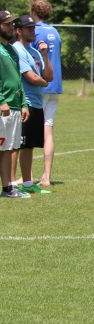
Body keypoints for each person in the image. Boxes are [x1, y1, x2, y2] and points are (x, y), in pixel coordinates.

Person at [13, 15, 54, 194]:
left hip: (37, 103)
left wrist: (45, 55)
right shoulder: (17, 50)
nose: (33, 31)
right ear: (19, 31)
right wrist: (43, 82)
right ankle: (11, 184)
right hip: (24, 103)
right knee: (17, 145)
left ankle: (28, 183)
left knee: (28, 145)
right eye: (28, 28)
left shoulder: (35, 52)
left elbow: (49, 76)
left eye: (33, 28)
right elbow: (31, 77)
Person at [0, 11, 31, 199]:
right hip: (3, 107)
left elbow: (18, 80)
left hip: (15, 106)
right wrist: (1, 100)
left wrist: (24, 103)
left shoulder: (11, 49)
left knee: (9, 148)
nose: (11, 27)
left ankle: (7, 188)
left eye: (12, 24)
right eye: (7, 24)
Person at [30, 0, 61, 188]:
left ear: (33, 11)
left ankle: (27, 176)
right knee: (48, 129)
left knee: (30, 129)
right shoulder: (54, 31)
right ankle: (46, 176)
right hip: (55, 85)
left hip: (39, 85)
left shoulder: (34, 31)